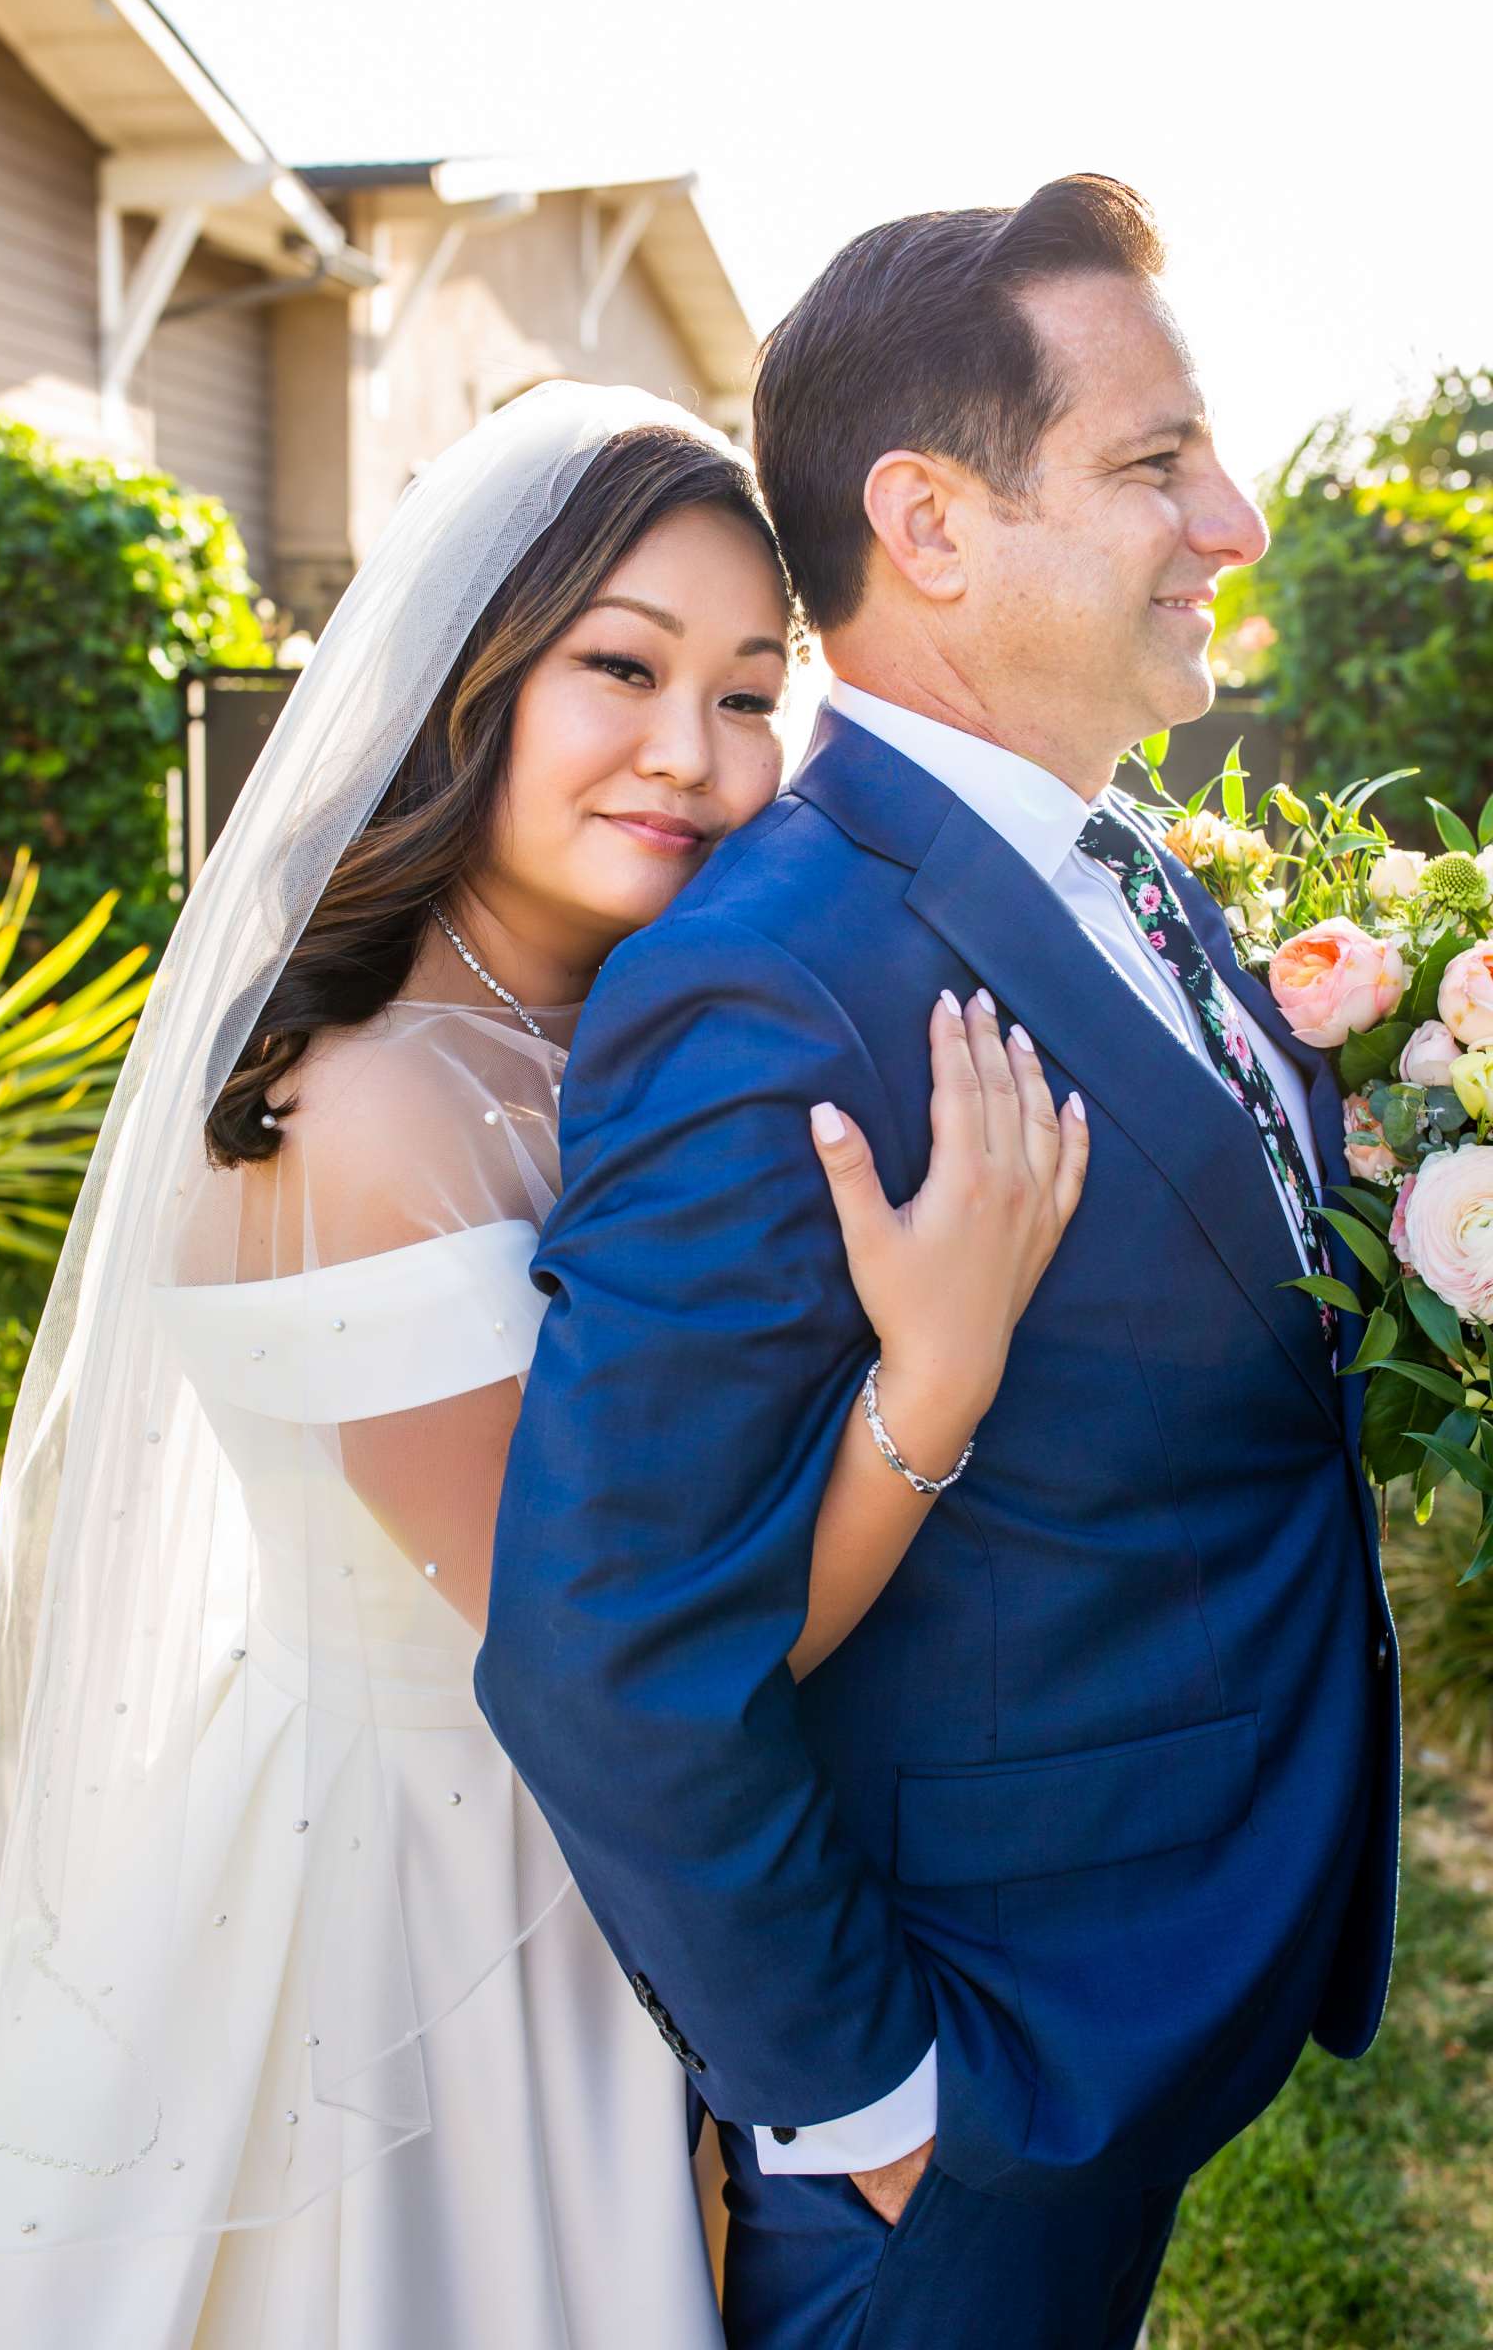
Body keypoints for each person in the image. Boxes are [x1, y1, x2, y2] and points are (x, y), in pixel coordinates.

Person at [0, 385, 1083, 2349]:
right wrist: (930, 1385)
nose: (689, 757)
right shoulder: (352, 1113)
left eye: (745, 693)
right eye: (619, 667)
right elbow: (630, 1645)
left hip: (645, 1843)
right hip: (430, 1920)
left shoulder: (636, 1034)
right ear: (471, 683)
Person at [476, 178, 1401, 2350]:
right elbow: (604, 1650)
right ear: (930, 520)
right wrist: (874, 2107)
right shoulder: (769, 988)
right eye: (1152, 461)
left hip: (1148, 1975)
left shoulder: (1122, 853)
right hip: (962, 2103)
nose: (1234, 521)